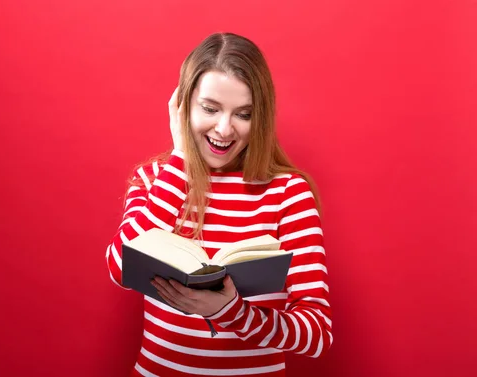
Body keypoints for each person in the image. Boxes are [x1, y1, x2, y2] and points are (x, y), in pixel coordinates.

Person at [105, 32, 332, 377]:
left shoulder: (289, 192)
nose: (224, 129)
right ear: (182, 104)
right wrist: (180, 161)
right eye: (210, 109)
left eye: (243, 114)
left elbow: (317, 334)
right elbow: (121, 267)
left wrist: (232, 311)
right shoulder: (154, 179)